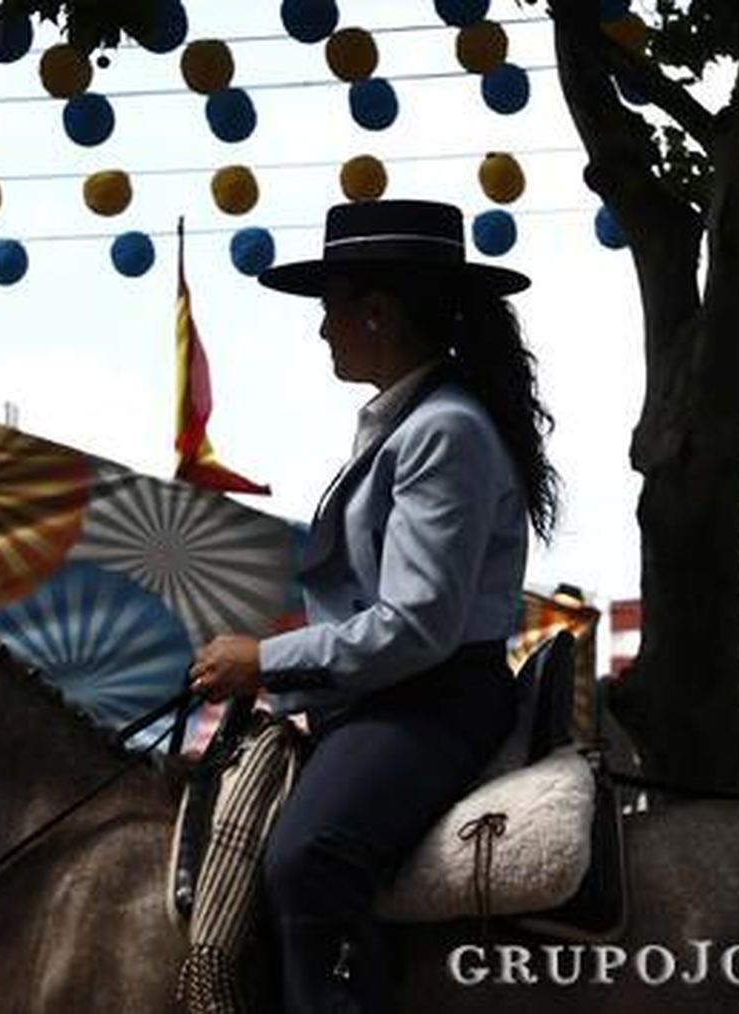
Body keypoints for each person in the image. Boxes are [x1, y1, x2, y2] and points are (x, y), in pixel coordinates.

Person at [189, 199, 559, 1013]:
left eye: (331, 310)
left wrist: (265, 660)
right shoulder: (417, 421)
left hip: (431, 699)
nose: (324, 331)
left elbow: (417, 624)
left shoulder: (443, 431)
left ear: (378, 313)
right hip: (391, 695)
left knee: (308, 858)